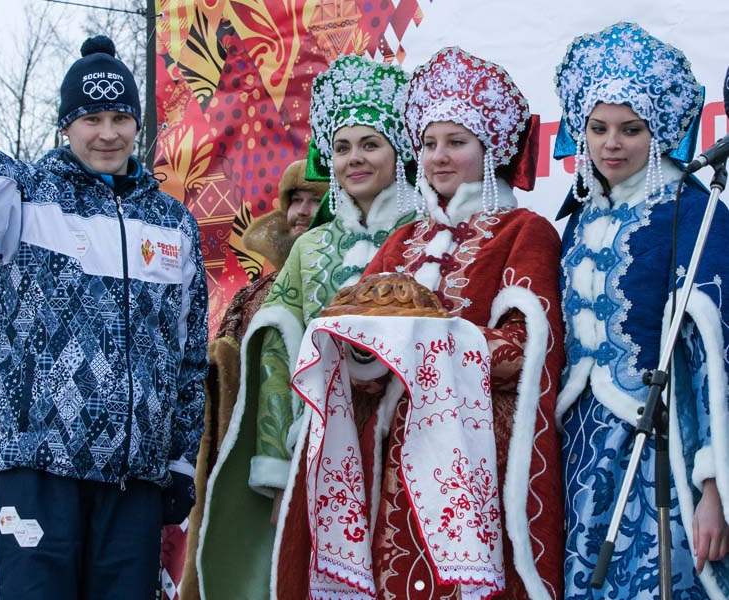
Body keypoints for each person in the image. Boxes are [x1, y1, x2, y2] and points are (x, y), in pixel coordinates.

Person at [0, 36, 208, 599]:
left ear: (137, 123)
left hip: (132, 479)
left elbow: (189, 357)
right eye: (92, 119)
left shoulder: (172, 224)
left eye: (121, 117)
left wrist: (179, 461)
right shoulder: (27, 200)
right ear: (66, 127)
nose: (108, 133)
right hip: (36, 469)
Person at [196, 54, 417, 599]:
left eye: (370, 145)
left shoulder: (426, 235)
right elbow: (277, 354)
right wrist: (275, 466)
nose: (354, 159)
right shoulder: (310, 249)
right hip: (317, 448)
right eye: (342, 148)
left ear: (400, 151)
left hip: (407, 446)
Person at [360, 47, 566, 598]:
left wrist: (427, 340)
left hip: (478, 459)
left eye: (456, 142)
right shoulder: (403, 241)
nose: (438, 157)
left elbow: (528, 349)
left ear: (492, 148)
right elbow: (355, 329)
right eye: (429, 144)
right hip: (396, 452)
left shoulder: (525, 231)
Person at [554, 22, 729, 599]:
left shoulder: (694, 213)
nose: (612, 144)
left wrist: (714, 485)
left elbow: (715, 358)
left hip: (662, 449)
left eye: (631, 129)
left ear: (659, 133)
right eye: (598, 128)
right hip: (578, 450)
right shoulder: (575, 223)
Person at [179, 159, 326, 600]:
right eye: (294, 200)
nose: (301, 211)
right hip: (242, 458)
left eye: (314, 199)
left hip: (313, 451)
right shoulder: (250, 293)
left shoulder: (345, 275)